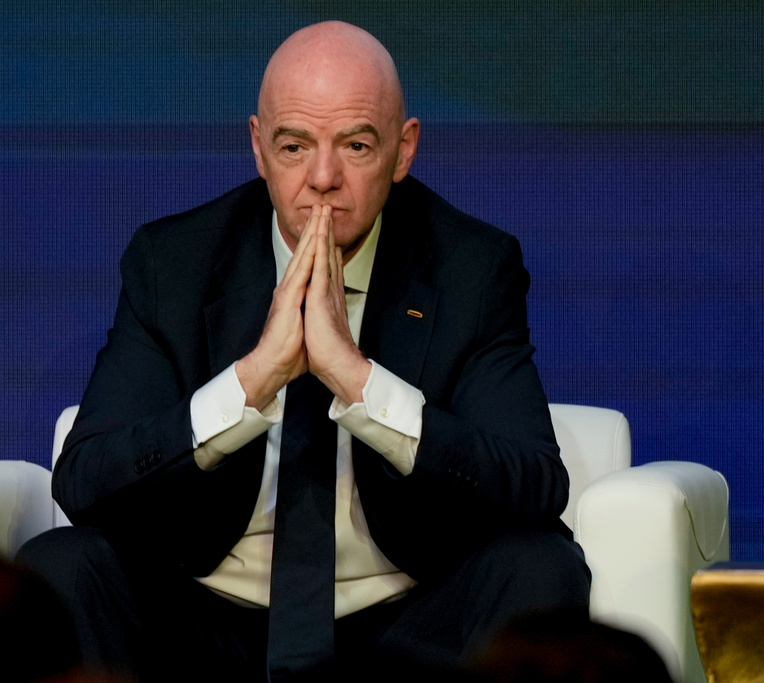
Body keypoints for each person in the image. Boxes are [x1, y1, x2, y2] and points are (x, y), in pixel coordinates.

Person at [18, 20, 589, 681]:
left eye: (355, 144)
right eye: (295, 146)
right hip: (204, 615)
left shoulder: (472, 266)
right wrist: (253, 380)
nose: (323, 177)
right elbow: (86, 479)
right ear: (258, 147)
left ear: (404, 151)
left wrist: (360, 382)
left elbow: (533, 483)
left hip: (405, 621)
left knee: (542, 563)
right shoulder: (172, 263)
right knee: (63, 564)